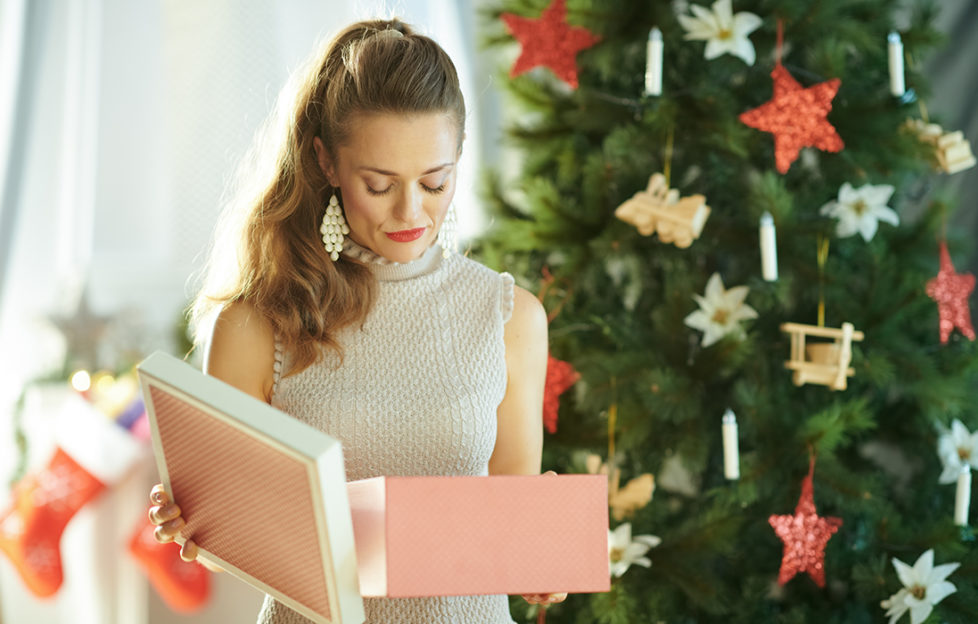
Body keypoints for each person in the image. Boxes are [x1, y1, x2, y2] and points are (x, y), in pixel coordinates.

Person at [147, 17, 564, 624]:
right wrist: (201, 525)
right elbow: (229, 537)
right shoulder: (258, 325)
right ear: (326, 161)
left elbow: (510, 524)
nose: (410, 211)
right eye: (379, 184)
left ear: (458, 160)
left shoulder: (511, 319)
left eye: (434, 181)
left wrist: (542, 559)